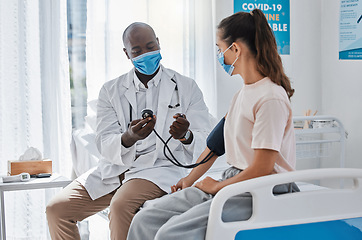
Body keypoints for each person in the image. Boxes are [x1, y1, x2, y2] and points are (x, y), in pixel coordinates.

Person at [127, 9, 298, 240]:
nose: (219, 55)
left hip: (263, 189)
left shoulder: (270, 98)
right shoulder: (243, 94)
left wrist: (217, 187)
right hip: (235, 180)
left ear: (235, 49)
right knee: (145, 218)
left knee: (170, 233)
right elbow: (215, 145)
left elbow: (263, 168)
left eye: (220, 48)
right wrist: (189, 180)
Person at [46, 22, 211, 240]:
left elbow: (205, 141)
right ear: (127, 54)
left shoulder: (186, 87)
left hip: (156, 170)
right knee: (57, 210)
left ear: (159, 44)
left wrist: (185, 136)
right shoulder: (111, 90)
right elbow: (104, 140)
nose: (146, 53)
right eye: (137, 51)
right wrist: (128, 138)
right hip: (115, 170)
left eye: (151, 46)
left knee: (120, 205)